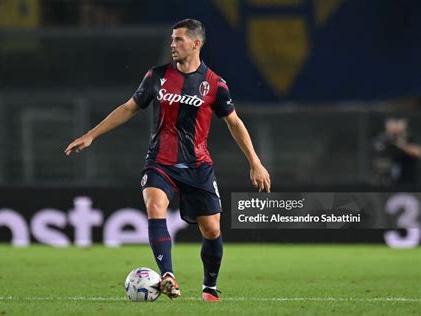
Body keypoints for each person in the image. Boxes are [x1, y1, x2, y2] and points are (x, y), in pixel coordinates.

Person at [64, 18, 271, 302]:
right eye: (172, 39)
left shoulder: (214, 84)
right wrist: (91, 135)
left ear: (196, 44)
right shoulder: (156, 76)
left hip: (198, 166)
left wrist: (254, 162)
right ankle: (168, 275)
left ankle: (209, 287)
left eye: (179, 40)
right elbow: (129, 108)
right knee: (155, 205)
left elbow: (234, 123)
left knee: (211, 229)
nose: (172, 44)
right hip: (160, 161)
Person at [372, 117, 421, 186]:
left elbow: (418, 152)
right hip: (387, 181)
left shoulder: (410, 137)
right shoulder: (383, 139)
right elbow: (379, 156)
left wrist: (401, 145)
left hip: (407, 180)